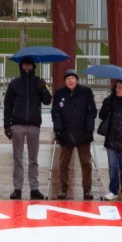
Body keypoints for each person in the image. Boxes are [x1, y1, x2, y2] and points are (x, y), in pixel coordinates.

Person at [4, 58, 52, 200]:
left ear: (33, 66)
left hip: (33, 125)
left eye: (29, 64)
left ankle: (34, 188)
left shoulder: (39, 82)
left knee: (33, 159)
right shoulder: (14, 84)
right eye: (24, 64)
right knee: (17, 158)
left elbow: (47, 100)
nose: (26, 67)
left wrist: (44, 87)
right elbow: (7, 106)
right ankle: (17, 188)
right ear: (21, 66)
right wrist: (7, 125)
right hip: (17, 125)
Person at [51, 69, 97, 200]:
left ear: (77, 80)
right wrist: (58, 128)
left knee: (86, 163)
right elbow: (55, 112)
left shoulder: (86, 92)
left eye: (72, 78)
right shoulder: (60, 93)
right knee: (63, 163)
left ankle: (87, 189)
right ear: (65, 81)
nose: (70, 81)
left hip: (83, 133)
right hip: (65, 133)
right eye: (67, 79)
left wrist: (89, 128)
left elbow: (92, 111)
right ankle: (63, 188)